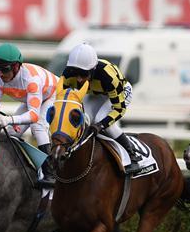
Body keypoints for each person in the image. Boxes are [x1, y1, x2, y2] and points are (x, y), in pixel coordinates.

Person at [60, 42, 144, 174]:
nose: (80, 79)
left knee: (103, 121)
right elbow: (63, 101)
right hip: (95, 93)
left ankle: (133, 156)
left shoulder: (108, 77)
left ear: (93, 70)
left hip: (119, 93)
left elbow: (119, 109)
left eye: (83, 74)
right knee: (84, 119)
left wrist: (101, 125)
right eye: (76, 73)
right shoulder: (68, 74)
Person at [0, 43, 59, 187]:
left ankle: (50, 173)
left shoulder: (31, 80)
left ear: (16, 67)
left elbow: (33, 116)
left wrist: (8, 119)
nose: (0, 73)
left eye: (4, 69)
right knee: (12, 133)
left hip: (53, 94)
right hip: (31, 98)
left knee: (37, 126)